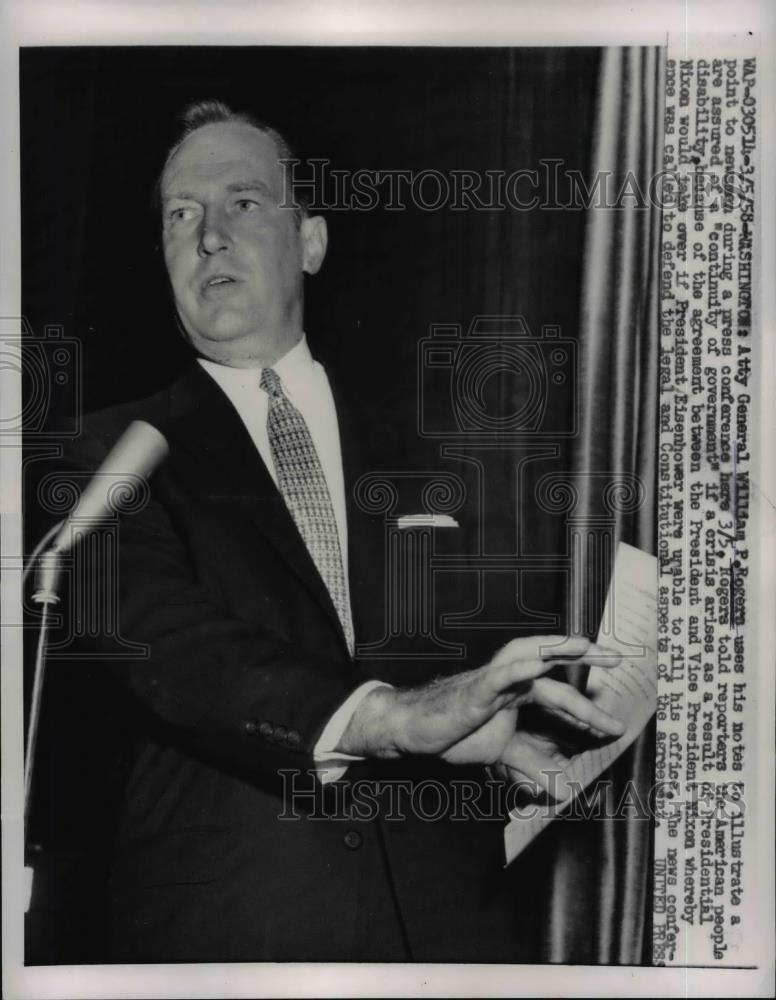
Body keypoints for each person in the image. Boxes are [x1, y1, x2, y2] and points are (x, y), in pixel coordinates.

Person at [67, 99, 625, 963]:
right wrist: (390, 718)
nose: (210, 234)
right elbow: (167, 648)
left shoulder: (441, 439)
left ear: (312, 243)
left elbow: (491, 655)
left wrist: (521, 730)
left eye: (243, 202)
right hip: (236, 932)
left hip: (451, 931)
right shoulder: (110, 453)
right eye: (182, 216)